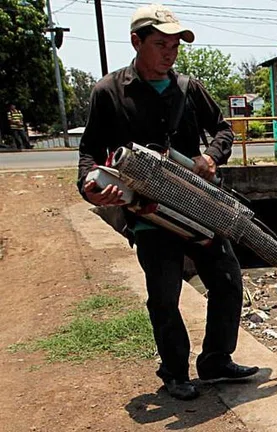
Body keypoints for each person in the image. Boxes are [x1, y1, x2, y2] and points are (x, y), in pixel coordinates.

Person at [77, 4, 258, 401]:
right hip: (147, 212)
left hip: (198, 206)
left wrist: (212, 155)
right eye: (161, 44)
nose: (170, 53)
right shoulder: (109, 92)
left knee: (227, 279)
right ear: (136, 42)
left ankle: (216, 360)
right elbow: (90, 150)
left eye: (175, 45)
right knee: (164, 294)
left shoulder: (189, 88)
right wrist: (89, 186)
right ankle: (175, 373)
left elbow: (223, 129)